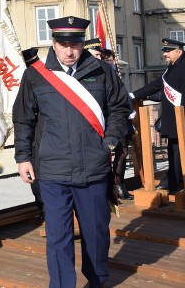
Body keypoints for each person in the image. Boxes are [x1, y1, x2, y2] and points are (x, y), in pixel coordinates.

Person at [13, 16, 130, 288]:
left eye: (75, 44)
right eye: (63, 44)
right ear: (52, 44)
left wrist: (110, 142)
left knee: (96, 232)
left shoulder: (102, 71)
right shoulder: (35, 75)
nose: (69, 51)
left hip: (94, 167)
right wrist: (22, 158)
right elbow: (23, 119)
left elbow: (119, 109)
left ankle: (97, 280)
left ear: (82, 44)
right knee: (58, 236)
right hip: (52, 170)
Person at [131, 38, 185, 194]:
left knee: (177, 152)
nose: (165, 54)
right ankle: (174, 185)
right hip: (174, 120)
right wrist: (134, 95)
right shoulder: (171, 68)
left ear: (179, 51)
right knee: (173, 152)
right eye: (164, 51)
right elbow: (156, 85)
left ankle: (174, 184)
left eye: (168, 51)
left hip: (181, 118)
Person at [101, 48, 135, 200]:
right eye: (106, 59)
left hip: (119, 120)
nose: (110, 62)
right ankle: (111, 187)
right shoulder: (100, 75)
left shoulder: (114, 74)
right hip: (107, 121)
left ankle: (119, 185)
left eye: (111, 59)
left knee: (123, 153)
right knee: (106, 155)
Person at [20, 48, 45, 220]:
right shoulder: (25, 78)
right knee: (35, 180)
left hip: (43, 137)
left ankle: (46, 211)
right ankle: (43, 210)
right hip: (31, 137)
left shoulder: (42, 77)